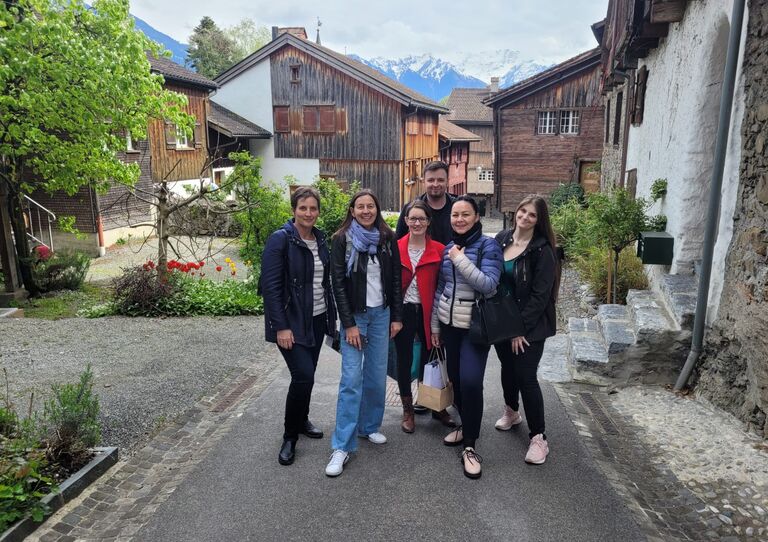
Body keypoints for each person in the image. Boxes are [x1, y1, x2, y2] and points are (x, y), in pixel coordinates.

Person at [325, 189, 403, 477]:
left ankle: (369, 426)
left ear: (377, 209)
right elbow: (338, 285)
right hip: (355, 318)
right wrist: (348, 324)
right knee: (351, 380)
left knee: (375, 376)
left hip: (381, 315)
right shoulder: (341, 240)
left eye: (371, 206)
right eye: (361, 206)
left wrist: (396, 316)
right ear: (352, 210)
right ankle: (341, 446)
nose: (366, 211)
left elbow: (395, 279)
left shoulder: (387, 238)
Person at [260, 187, 337, 466]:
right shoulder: (281, 240)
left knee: (309, 374)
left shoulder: (320, 239)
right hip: (291, 322)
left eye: (313, 208)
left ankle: (302, 420)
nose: (308, 213)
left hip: (317, 318)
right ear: (294, 210)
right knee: (302, 375)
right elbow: (270, 287)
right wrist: (280, 327)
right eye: (303, 208)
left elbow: (324, 282)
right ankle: (290, 436)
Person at [431, 196, 502, 479]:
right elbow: (440, 290)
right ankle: (464, 425)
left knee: (472, 382)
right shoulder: (449, 247)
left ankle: (470, 447)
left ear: (476, 217)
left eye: (465, 214)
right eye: (455, 215)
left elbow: (489, 285)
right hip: (449, 326)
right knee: (457, 382)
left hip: (475, 328)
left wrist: (460, 261)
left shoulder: (488, 246)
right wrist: (435, 328)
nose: (459, 219)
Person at [492, 195, 559, 465]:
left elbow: (541, 296)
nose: (525, 217)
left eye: (532, 215)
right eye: (522, 211)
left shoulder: (542, 250)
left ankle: (538, 438)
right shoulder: (502, 239)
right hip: (502, 321)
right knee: (508, 369)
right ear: (515, 211)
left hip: (531, 325)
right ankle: (511, 411)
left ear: (539, 220)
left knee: (526, 376)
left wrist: (520, 329)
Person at [394, 200, 454, 433]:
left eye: (422, 218)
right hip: (404, 310)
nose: (417, 222)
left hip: (431, 312)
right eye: (412, 218)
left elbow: (444, 285)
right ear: (406, 221)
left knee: (432, 359)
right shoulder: (394, 247)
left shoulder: (440, 250)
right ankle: (408, 410)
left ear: (429, 222)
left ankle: (434, 405)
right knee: (404, 359)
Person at [395, 160, 455, 244]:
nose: (435, 184)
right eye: (431, 180)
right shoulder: (410, 209)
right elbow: (398, 242)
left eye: (440, 180)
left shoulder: (458, 208)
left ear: (447, 181)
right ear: (423, 182)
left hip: (454, 256)